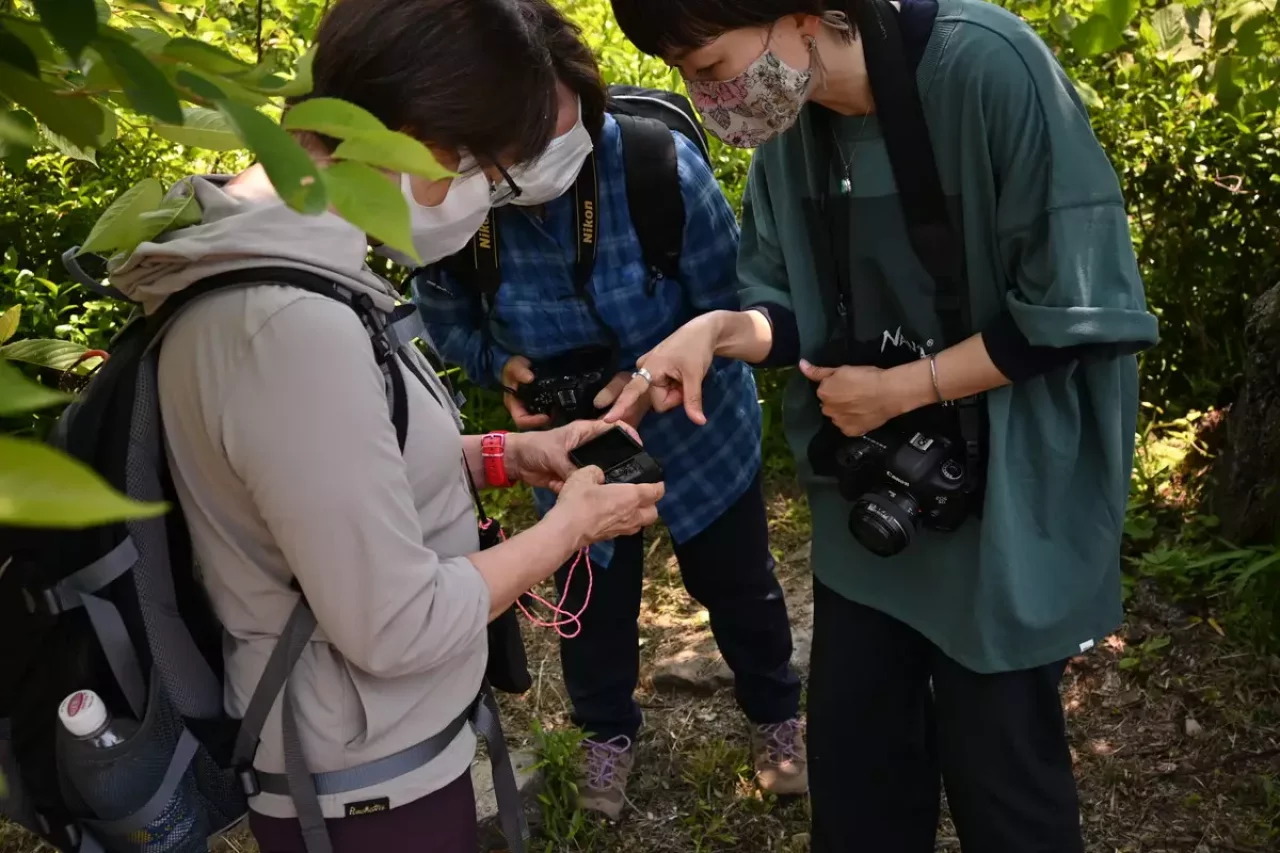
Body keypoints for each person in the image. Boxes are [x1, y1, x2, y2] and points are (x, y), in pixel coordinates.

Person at [106, 1, 664, 851]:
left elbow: (340, 472)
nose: (481, 198)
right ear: (421, 138)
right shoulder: (286, 328)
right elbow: (395, 624)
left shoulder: (289, 268)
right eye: (487, 171)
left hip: (365, 751)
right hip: (361, 784)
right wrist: (574, 528)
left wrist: (505, 454)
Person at [604, 0, 1159, 849]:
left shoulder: (988, 69)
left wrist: (906, 387)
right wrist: (716, 332)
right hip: (869, 500)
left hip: (1002, 490)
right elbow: (787, 308)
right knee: (859, 772)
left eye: (708, 67)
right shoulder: (793, 122)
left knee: (1004, 779)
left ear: (802, 15)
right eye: (681, 74)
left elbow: (1074, 310)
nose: (704, 97)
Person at [412, 2, 805, 821]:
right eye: (525, 138)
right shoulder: (454, 208)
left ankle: (777, 716)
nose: (551, 151)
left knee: (738, 584)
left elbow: (728, 304)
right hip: (571, 446)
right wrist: (501, 366)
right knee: (591, 602)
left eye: (568, 124)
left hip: (698, 430)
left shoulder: (656, 169)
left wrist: (675, 365)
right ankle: (606, 733)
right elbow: (449, 320)